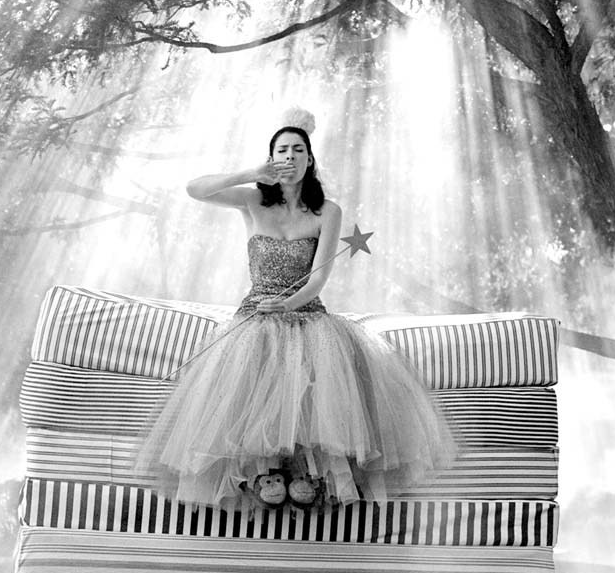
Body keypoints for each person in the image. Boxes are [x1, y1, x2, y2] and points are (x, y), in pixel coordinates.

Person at [137, 114, 454, 511]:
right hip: (255, 316)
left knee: (316, 393)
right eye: (282, 149)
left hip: (306, 314)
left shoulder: (327, 211)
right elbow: (194, 189)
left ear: (310, 160)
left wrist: (286, 304)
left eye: (298, 150)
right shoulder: (252, 200)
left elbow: (319, 277)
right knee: (251, 394)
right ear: (272, 158)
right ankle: (264, 477)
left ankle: (310, 478)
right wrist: (253, 172)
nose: (290, 156)